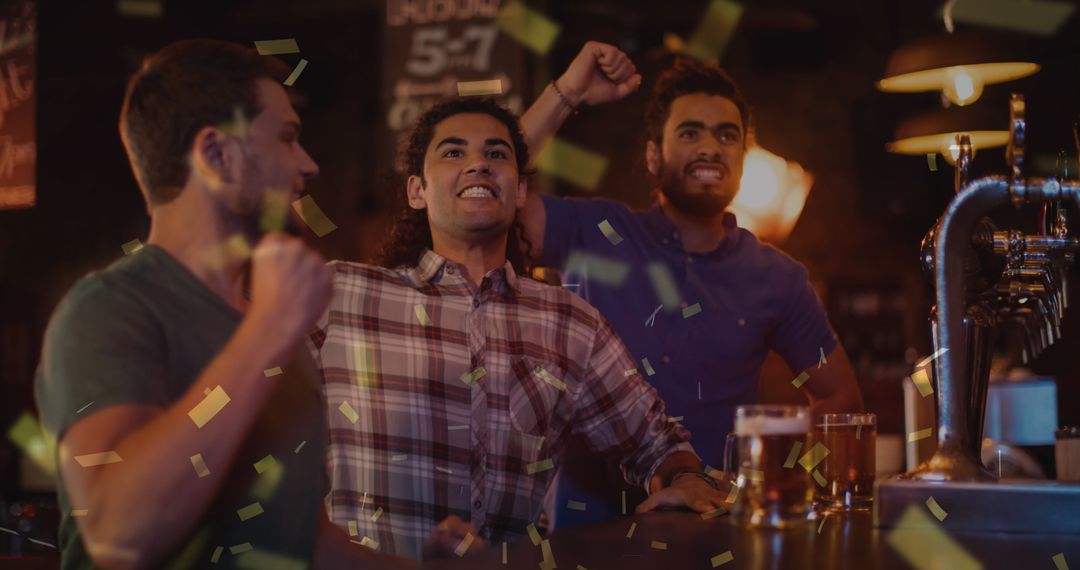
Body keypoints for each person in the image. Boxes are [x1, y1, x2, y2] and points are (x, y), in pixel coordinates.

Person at [35, 39, 411, 569]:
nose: (309, 164)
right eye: (286, 138)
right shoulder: (109, 309)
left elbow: (301, 543)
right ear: (216, 156)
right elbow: (118, 534)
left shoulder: (278, 332)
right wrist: (268, 331)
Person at [308, 96, 726, 562]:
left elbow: (658, 443)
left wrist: (688, 481)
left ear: (521, 190)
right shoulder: (338, 294)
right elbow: (252, 433)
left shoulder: (570, 322)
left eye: (496, 154)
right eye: (453, 152)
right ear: (416, 191)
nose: (478, 166)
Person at [517, 43, 865, 525]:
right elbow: (495, 185)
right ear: (653, 156)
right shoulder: (595, 233)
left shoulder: (777, 277)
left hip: (715, 533)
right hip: (585, 532)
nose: (709, 147)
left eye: (727, 136)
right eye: (690, 133)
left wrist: (785, 479)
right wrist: (568, 92)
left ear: (743, 158)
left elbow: (840, 403)